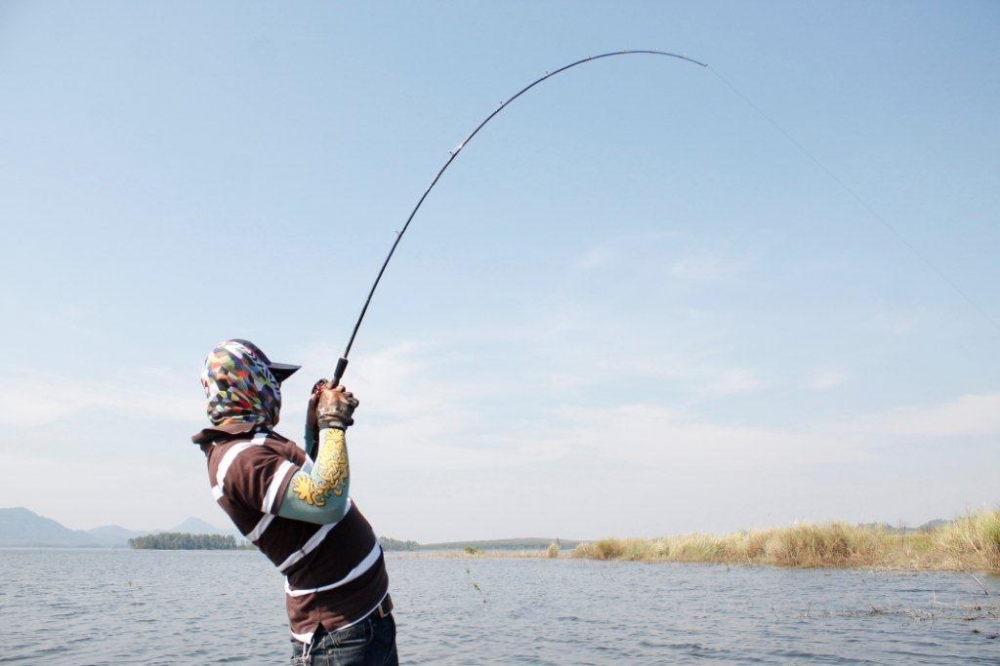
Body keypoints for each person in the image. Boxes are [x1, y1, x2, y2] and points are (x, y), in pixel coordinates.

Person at [192, 339, 397, 665]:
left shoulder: (253, 444)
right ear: (249, 383)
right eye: (270, 380)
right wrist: (333, 421)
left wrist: (313, 428)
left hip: (361, 625)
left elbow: (311, 480)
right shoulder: (240, 460)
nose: (276, 390)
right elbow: (326, 501)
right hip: (340, 638)